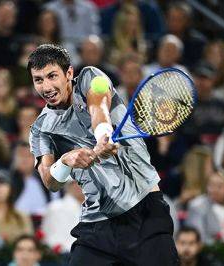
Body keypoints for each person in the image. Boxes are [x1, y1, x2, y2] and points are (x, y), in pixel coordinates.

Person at [27, 44, 178, 265]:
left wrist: (103, 135)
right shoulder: (41, 128)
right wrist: (66, 161)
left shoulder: (90, 76)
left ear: (69, 73)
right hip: (97, 226)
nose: (46, 86)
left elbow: (99, 108)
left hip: (145, 213)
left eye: (52, 76)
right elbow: (50, 181)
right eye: (38, 79)